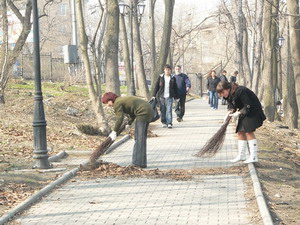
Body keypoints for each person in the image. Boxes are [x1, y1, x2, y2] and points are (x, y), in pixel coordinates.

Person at [216, 81, 266, 163]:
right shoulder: (228, 95)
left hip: (253, 111)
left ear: (228, 89)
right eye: (220, 93)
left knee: (248, 131)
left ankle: (253, 156)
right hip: (245, 112)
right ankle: (241, 155)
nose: (222, 95)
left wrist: (239, 113)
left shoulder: (241, 91)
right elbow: (232, 106)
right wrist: (229, 113)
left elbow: (248, 105)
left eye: (222, 92)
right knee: (240, 132)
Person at [101, 92, 153, 168]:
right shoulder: (121, 100)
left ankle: (138, 163)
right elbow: (132, 112)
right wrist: (129, 123)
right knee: (140, 138)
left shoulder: (117, 103)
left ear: (110, 99)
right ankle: (141, 162)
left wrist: (114, 131)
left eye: (107, 102)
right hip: (147, 110)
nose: (108, 105)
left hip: (143, 112)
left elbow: (119, 118)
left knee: (139, 138)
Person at [152, 64, 178, 128]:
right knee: (163, 110)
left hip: (169, 96)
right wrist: (153, 95)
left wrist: (176, 97)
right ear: (164, 70)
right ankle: (164, 122)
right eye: (166, 70)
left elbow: (175, 88)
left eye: (169, 70)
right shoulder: (160, 77)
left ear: (171, 71)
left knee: (169, 110)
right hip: (161, 96)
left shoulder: (172, 78)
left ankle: (169, 123)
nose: (167, 71)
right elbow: (156, 87)